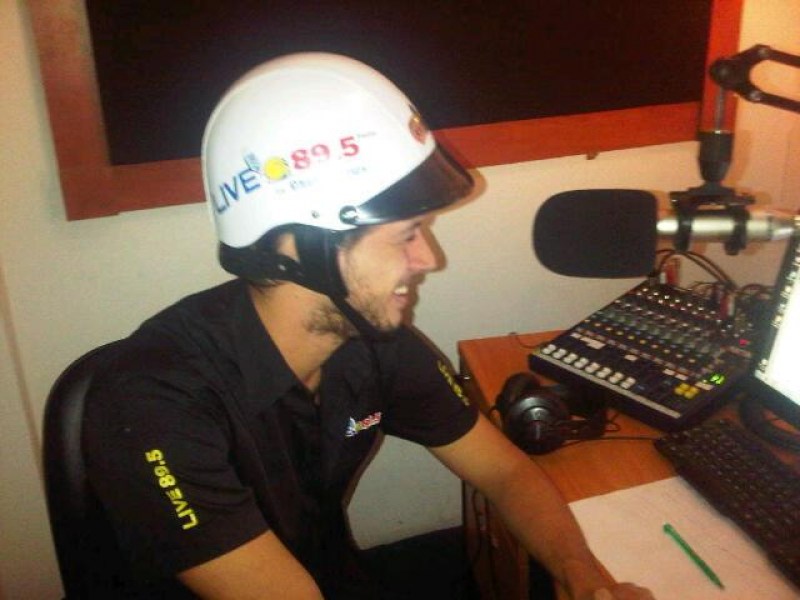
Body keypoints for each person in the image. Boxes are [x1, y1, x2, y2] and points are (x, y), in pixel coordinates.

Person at [82, 53, 654, 600]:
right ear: (301, 248)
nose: (429, 259)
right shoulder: (151, 402)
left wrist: (583, 579)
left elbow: (505, 472)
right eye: (406, 234)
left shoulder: (368, 340)